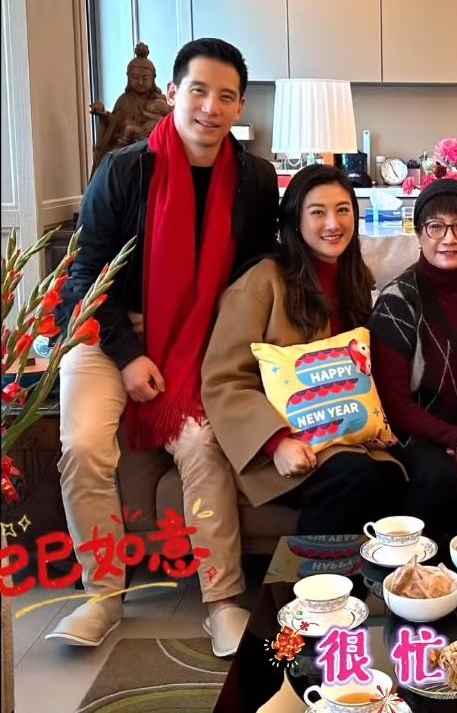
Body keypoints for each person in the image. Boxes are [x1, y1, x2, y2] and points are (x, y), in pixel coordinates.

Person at [49, 38, 278, 655]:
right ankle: (103, 595)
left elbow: (257, 273)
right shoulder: (124, 170)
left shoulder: (255, 180)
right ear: (174, 92)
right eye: (198, 91)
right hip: (107, 329)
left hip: (200, 336)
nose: (210, 107)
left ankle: (222, 601)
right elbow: (84, 278)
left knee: (202, 445)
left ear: (239, 107)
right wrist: (127, 355)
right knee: (84, 444)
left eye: (226, 96)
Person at [202, 165, 407, 536]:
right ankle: (308, 574)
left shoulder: (355, 279)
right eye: (317, 212)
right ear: (295, 220)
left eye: (343, 210)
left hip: (347, 437)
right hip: (287, 442)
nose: (333, 224)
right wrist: (276, 442)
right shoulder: (262, 282)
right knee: (356, 478)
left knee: (402, 476)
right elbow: (224, 380)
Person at [369, 179, 457, 533]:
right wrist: (456, 438)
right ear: (419, 234)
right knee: (439, 474)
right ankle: (419, 562)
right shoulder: (397, 301)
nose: (449, 238)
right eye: (436, 226)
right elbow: (393, 402)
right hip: (412, 432)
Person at [90, 42, 172, 174]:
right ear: (128, 77)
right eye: (135, 77)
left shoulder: (159, 100)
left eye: (145, 78)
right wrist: (103, 114)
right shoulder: (124, 100)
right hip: (127, 149)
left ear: (153, 79)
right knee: (111, 161)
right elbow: (114, 123)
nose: (140, 82)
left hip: (153, 148)